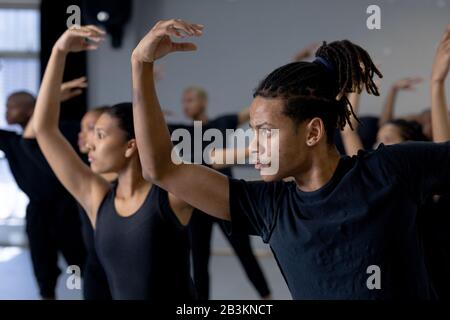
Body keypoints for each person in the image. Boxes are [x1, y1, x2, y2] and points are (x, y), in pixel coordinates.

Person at [131, 19, 450, 299]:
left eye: (266, 132)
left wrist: (436, 85)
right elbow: (160, 168)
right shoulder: (268, 207)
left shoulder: (389, 171)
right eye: (253, 132)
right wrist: (140, 65)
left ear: (312, 132)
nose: (254, 146)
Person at [33, 25, 196, 300]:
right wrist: (58, 52)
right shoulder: (97, 198)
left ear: (131, 145)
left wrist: (142, 65)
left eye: (100, 134)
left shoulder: (171, 196)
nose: (90, 143)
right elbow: (44, 130)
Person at [169, 86, 271, 300]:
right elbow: (145, 123)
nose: (185, 105)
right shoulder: (182, 131)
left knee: (245, 253)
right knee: (199, 260)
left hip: (225, 201)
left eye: (190, 100)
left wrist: (272, 92)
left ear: (203, 102)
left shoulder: (221, 124)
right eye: (183, 101)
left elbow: (249, 111)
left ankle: (267, 298)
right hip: (197, 206)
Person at [0, 81, 87, 299]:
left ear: (30, 109)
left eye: (11, 106)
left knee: (80, 264)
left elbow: (37, 134)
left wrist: (45, 102)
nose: (6, 111)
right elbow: (26, 139)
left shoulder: (62, 132)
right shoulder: (11, 141)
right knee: (43, 268)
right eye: (5, 106)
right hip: (38, 213)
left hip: (67, 210)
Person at [76, 106, 112, 300]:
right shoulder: (84, 178)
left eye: (90, 128)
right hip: (95, 271)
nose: (82, 135)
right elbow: (41, 134)